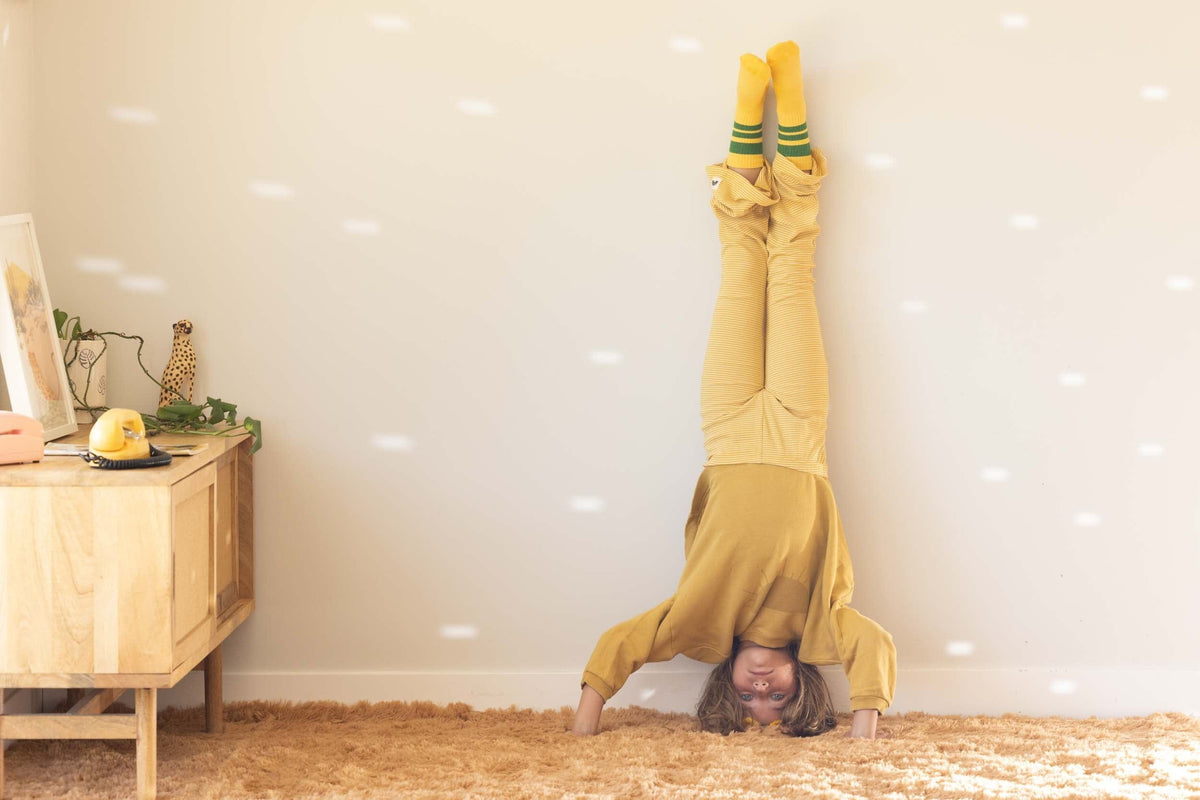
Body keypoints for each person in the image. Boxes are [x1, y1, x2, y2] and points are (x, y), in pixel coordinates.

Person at [571, 41, 897, 739]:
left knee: (741, 267)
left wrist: (583, 726)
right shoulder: (822, 627)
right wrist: (865, 734)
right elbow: (874, 646)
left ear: (726, 683)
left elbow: (620, 643)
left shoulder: (700, 620)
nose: (762, 693)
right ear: (803, 679)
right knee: (792, 266)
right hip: (799, 430)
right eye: (780, 700)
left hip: (727, 428)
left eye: (750, 703)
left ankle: (748, 115)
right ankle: (793, 109)